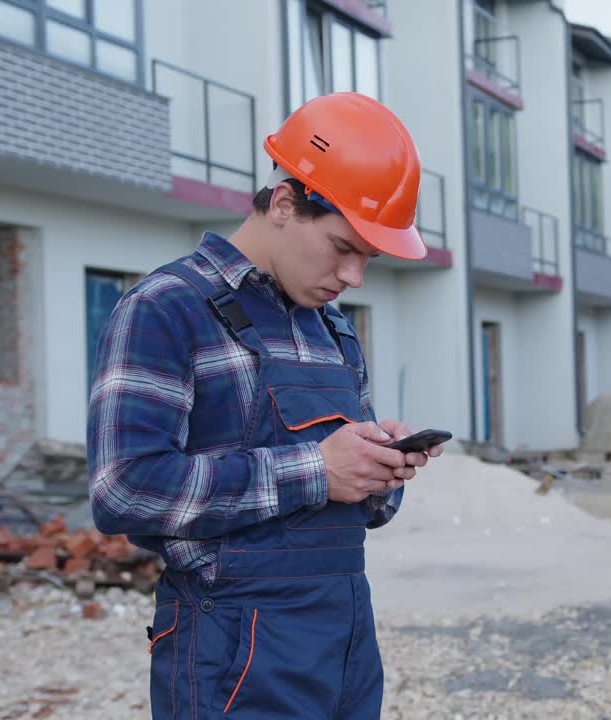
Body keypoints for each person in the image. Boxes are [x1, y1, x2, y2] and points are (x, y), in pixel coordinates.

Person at [86, 92, 443, 719]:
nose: (354, 276)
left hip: (345, 639)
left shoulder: (331, 330)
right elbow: (125, 489)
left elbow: (359, 512)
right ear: (284, 203)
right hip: (230, 653)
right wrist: (317, 470)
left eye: (369, 258)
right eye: (343, 247)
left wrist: (379, 471)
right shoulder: (166, 308)